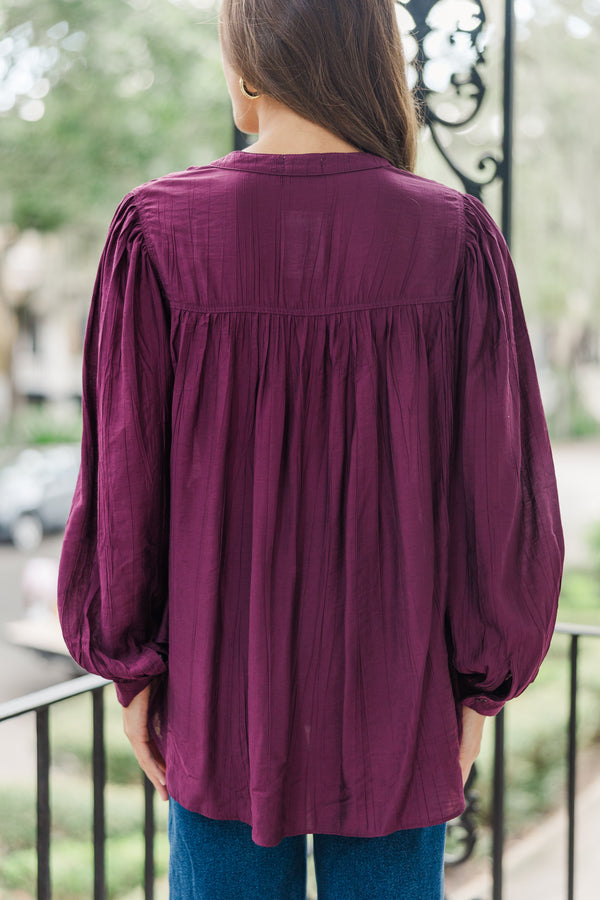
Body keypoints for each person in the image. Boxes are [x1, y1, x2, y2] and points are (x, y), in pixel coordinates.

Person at [56, 0, 565, 897]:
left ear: (248, 68)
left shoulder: (158, 232)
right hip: (399, 698)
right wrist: (482, 681)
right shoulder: (453, 238)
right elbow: (499, 490)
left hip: (217, 700)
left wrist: (130, 669)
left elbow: (123, 476)